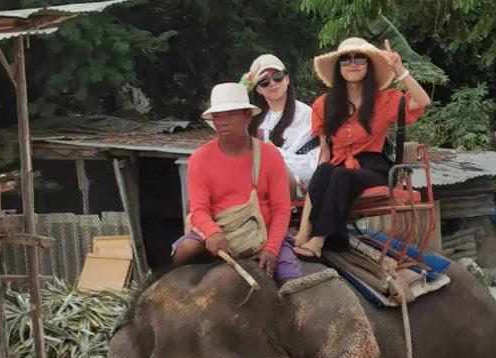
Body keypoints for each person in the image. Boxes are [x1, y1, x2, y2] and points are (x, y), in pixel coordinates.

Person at [294, 37, 431, 260]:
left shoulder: (384, 99)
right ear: (338, 67)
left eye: (360, 58)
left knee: (339, 175)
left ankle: (319, 240)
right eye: (345, 59)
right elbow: (325, 152)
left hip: (373, 167)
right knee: (325, 170)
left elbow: (423, 101)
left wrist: (399, 70)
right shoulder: (323, 104)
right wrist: (319, 176)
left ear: (369, 65)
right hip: (338, 165)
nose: (353, 63)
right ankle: (303, 233)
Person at [172, 82, 301, 281]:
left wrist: (272, 248)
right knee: (185, 250)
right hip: (220, 232)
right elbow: (198, 211)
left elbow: (281, 209)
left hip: (263, 232)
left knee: (290, 278)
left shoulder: (270, 154)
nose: (223, 122)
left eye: (231, 114)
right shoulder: (199, 159)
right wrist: (213, 233)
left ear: (247, 115)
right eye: (218, 116)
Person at [243, 53, 317, 195]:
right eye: (264, 81)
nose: (272, 83)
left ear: (287, 79)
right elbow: (223, 124)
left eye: (277, 76)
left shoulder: (307, 115)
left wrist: (275, 154)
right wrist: (243, 88)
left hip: (295, 190)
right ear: (258, 89)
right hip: (255, 188)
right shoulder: (253, 119)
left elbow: (314, 165)